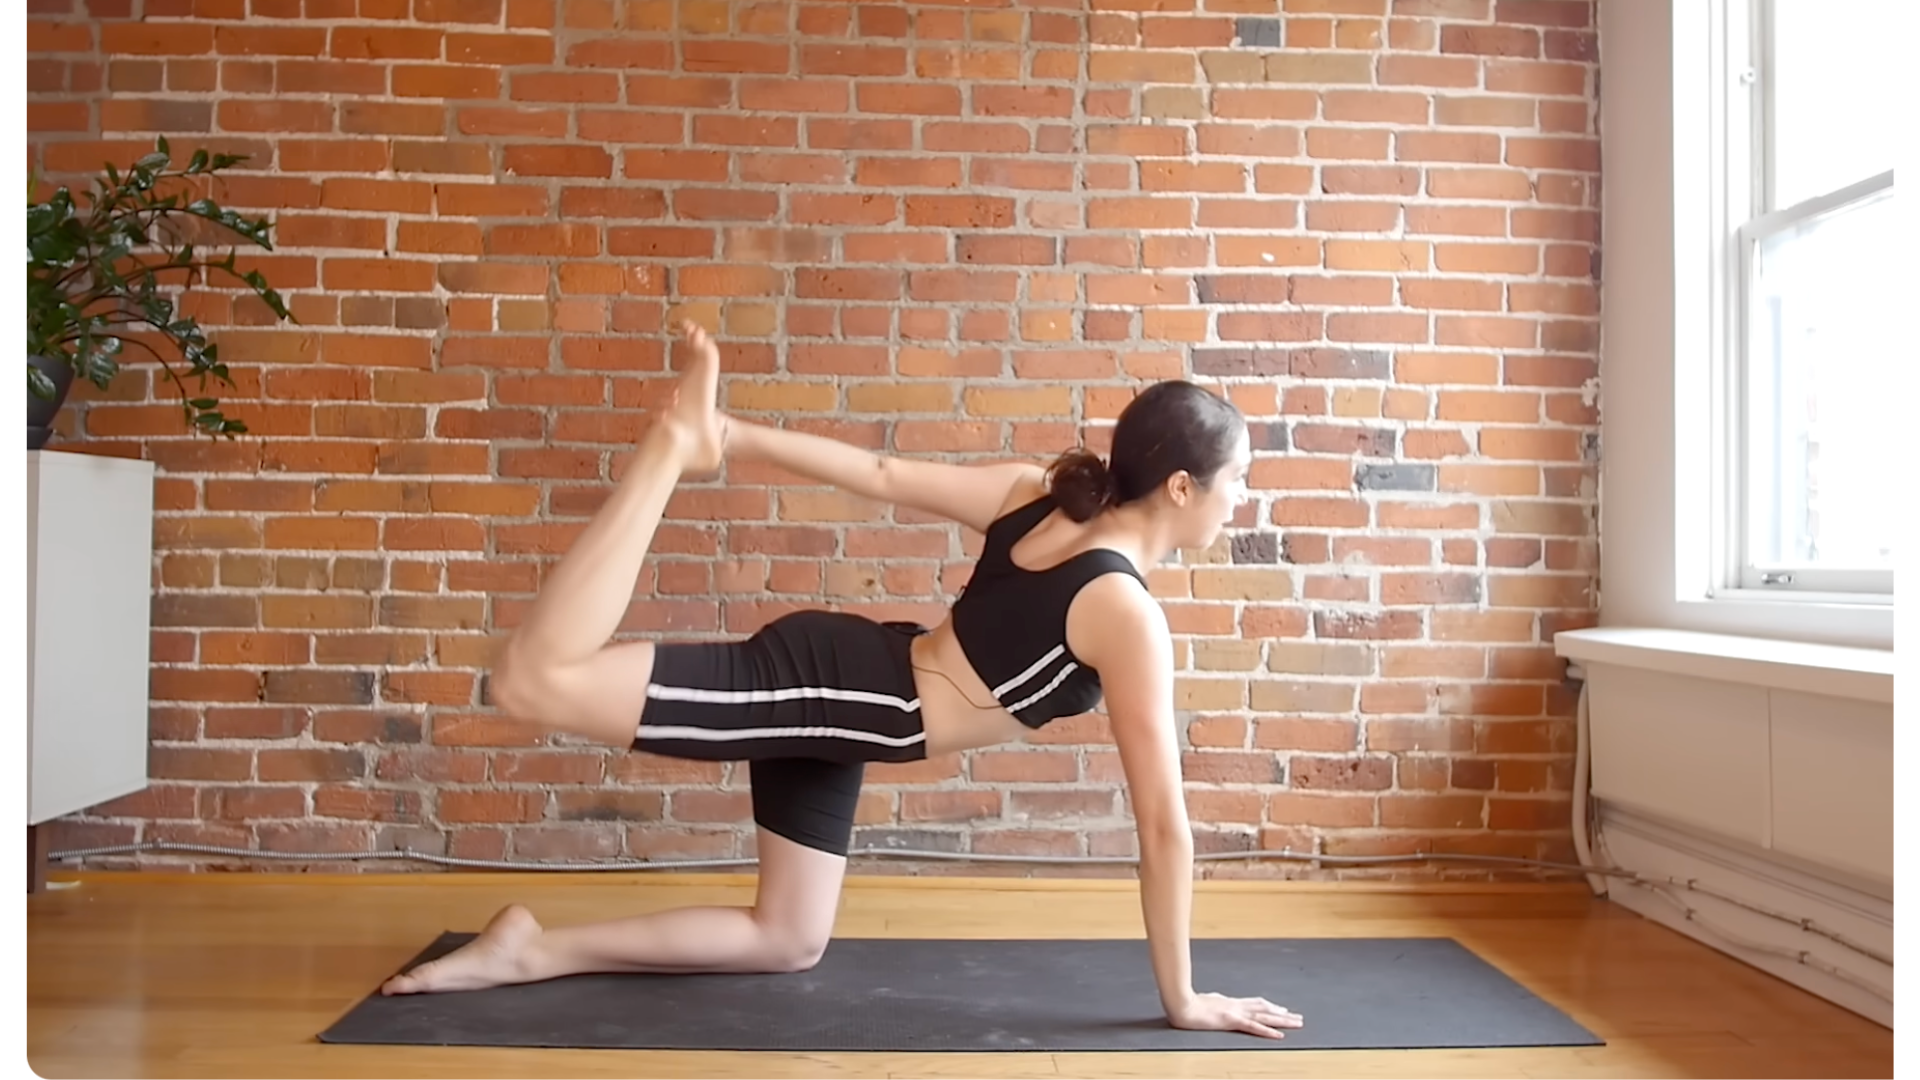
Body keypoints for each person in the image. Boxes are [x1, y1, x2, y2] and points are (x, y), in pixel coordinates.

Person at [379, 320, 1305, 1041]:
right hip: (840, 692)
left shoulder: (1039, 495)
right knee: (534, 683)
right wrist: (1183, 997)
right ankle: (665, 448)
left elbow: (881, 471)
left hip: (855, 701)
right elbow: (1162, 825)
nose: (1243, 498)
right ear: (1183, 487)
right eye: (1238, 479)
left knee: (788, 938)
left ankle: (527, 952)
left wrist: (737, 431)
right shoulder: (1125, 611)